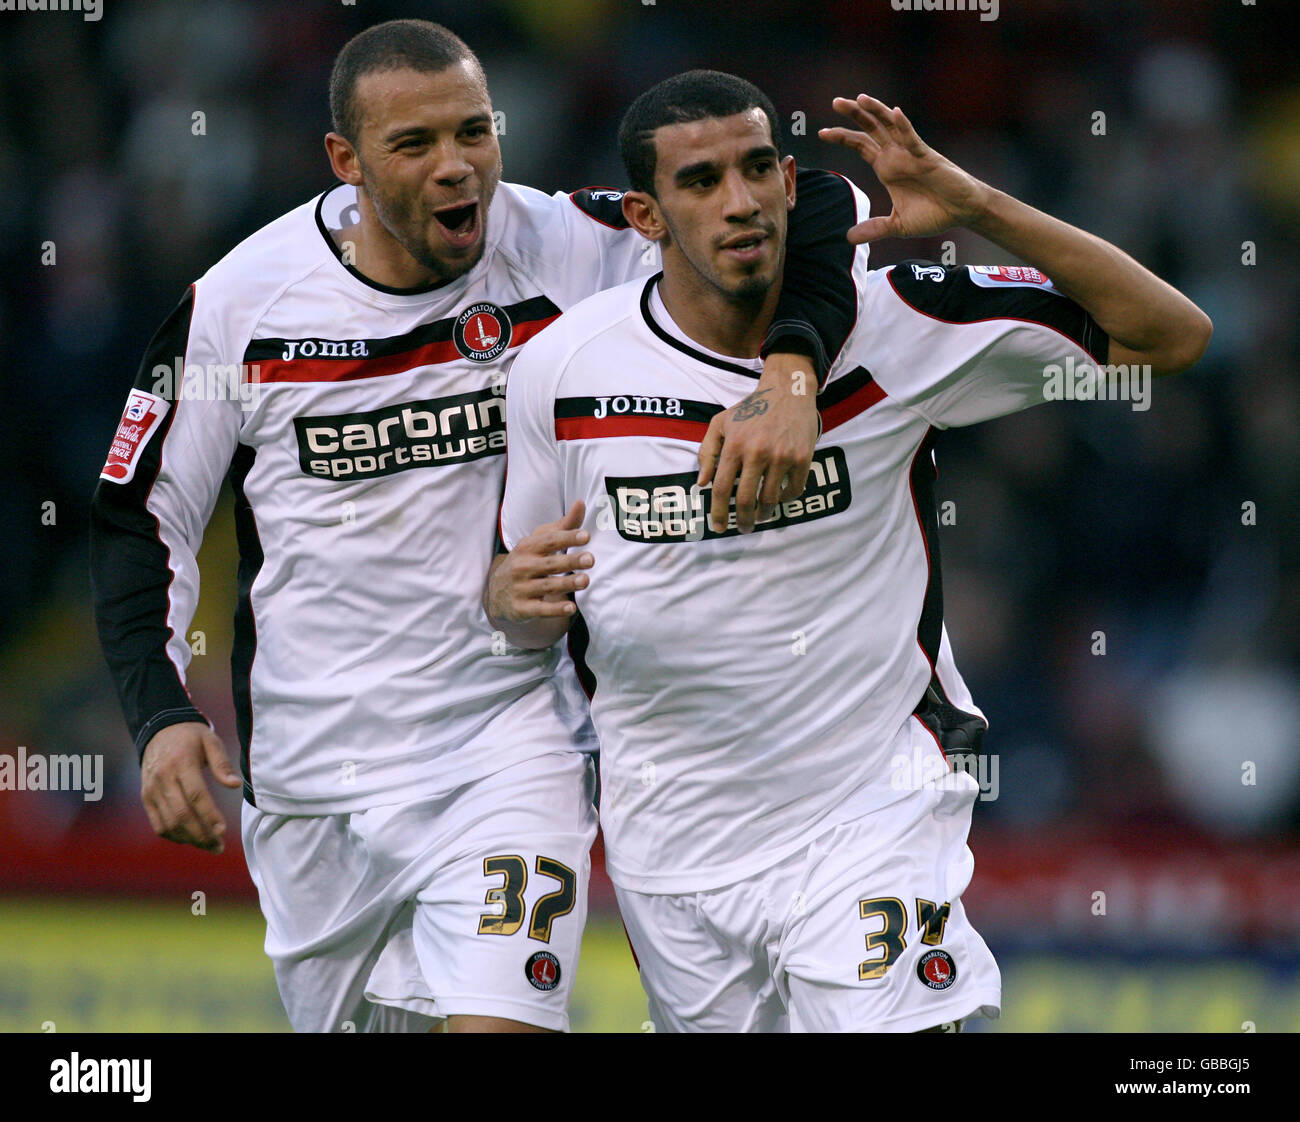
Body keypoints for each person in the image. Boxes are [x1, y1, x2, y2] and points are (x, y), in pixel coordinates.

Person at [88, 21, 859, 1034]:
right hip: (313, 780)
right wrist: (161, 715)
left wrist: (792, 365)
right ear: (345, 161)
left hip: (512, 738)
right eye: (414, 146)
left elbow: (810, 206)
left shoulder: (566, 245)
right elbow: (140, 519)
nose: (458, 169)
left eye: (474, 135)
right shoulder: (241, 306)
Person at [488, 70, 1211, 1032]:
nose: (739, 202)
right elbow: (526, 585)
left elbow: (1170, 333)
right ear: (645, 218)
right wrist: (511, 603)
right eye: (700, 183)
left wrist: (976, 203)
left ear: (793, 184)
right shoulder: (564, 367)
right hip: (671, 848)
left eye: (756, 170)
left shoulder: (901, 324)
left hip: (869, 813)